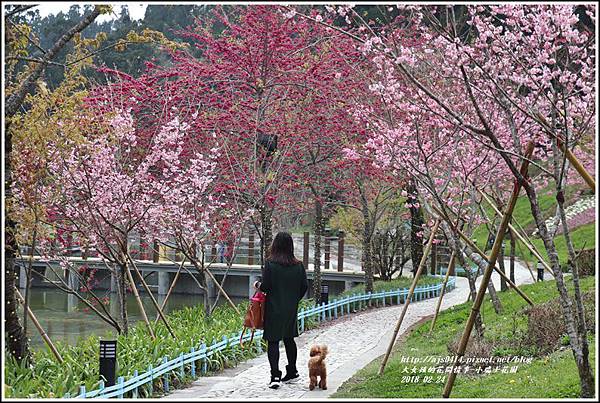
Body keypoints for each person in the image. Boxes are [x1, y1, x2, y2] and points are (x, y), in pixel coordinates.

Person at [253, 231, 309, 389]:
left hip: (273, 308)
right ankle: (292, 372)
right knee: (289, 338)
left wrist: (257, 285)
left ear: (275, 245)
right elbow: (304, 286)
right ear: (290, 246)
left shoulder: (271, 264)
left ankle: (275, 376)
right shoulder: (298, 265)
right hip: (290, 308)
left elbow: (266, 286)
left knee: (273, 341)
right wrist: (293, 300)